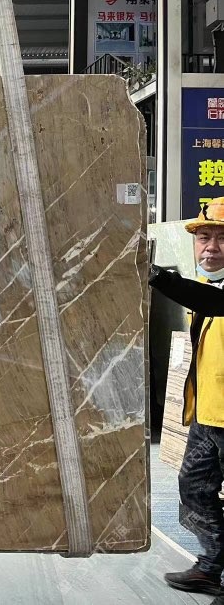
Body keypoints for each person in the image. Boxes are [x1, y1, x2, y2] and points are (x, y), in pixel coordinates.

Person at [151, 197, 224, 600]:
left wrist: (156, 277)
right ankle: (211, 567)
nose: (211, 247)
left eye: (222, 238)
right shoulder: (210, 287)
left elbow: (213, 304)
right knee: (194, 490)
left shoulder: (211, 295)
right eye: (204, 237)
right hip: (209, 418)